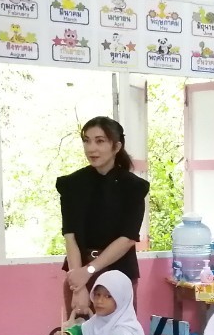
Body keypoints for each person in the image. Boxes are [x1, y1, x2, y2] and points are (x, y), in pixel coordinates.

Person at [56, 117, 149, 318]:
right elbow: (70, 236)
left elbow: (127, 238)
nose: (91, 148)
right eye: (87, 141)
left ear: (116, 146)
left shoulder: (133, 187)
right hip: (78, 274)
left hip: (119, 273)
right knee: (77, 333)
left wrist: (88, 271)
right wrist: (78, 284)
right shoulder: (71, 184)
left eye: (100, 141)